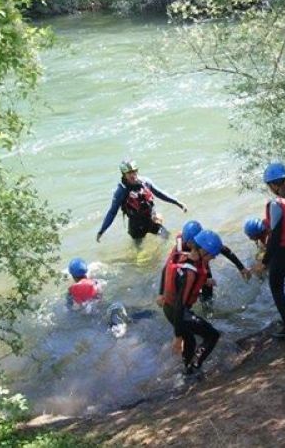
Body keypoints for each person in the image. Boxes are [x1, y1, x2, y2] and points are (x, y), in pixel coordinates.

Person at [158, 229, 225, 379]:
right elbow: (181, 306)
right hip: (178, 312)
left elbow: (174, 278)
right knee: (212, 336)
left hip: (169, 309)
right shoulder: (190, 273)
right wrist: (177, 335)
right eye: (212, 256)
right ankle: (194, 367)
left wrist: (205, 280)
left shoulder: (183, 256)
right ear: (204, 251)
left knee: (191, 339)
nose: (212, 259)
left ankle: (187, 369)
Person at [253, 162, 285, 340]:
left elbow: (275, 236)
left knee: (276, 287)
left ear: (274, 185)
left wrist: (265, 261)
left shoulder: (277, 204)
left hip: (282, 252)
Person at [96, 159, 188, 242]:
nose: (133, 175)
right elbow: (112, 212)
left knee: (167, 236)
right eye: (129, 173)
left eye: (134, 171)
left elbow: (161, 194)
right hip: (136, 226)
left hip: (151, 220)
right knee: (139, 252)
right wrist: (102, 231)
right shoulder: (121, 191)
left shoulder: (145, 182)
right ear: (124, 175)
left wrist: (178, 203)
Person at [175, 220, 251, 303]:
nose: (198, 244)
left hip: (203, 267)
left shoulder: (204, 241)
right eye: (194, 243)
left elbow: (224, 250)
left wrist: (241, 268)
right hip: (191, 270)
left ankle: (207, 307)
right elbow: (170, 271)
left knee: (208, 295)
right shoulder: (180, 249)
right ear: (188, 242)